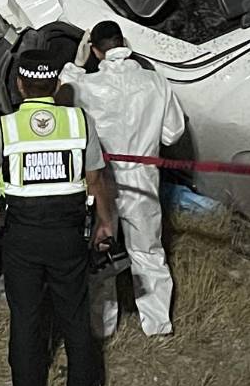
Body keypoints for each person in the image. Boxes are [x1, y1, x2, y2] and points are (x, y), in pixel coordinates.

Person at [0, 49, 116, 386]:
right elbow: (96, 180)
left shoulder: (6, 127)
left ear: (18, 84)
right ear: (57, 85)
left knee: (27, 318)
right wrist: (104, 223)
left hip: (23, 236)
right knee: (75, 312)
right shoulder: (79, 121)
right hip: (67, 232)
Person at [59, 20, 185, 338]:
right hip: (143, 175)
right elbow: (173, 133)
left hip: (102, 176)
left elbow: (60, 106)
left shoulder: (87, 84)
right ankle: (157, 323)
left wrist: (75, 65)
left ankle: (102, 325)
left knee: (101, 250)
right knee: (149, 250)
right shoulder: (156, 81)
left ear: (96, 50)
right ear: (123, 43)